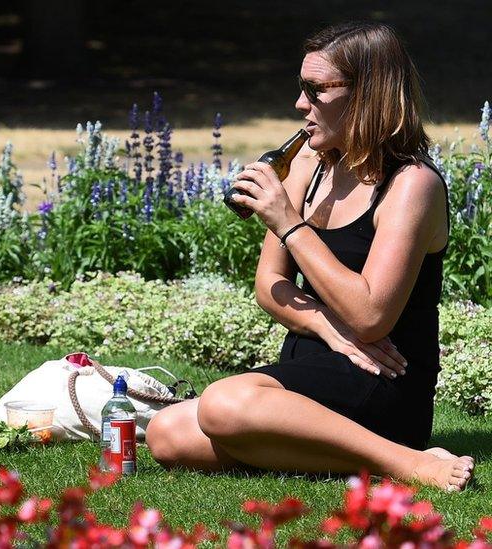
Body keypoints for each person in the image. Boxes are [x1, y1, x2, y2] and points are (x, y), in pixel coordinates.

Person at [145, 22, 475, 491]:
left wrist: (289, 224)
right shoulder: (307, 166)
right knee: (167, 435)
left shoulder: (411, 185)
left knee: (221, 404)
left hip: (382, 377)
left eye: (316, 90)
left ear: (368, 95)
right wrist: (326, 327)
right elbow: (270, 285)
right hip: (316, 362)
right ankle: (372, 456)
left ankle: (405, 460)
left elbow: (370, 317)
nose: (301, 104)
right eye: (302, 89)